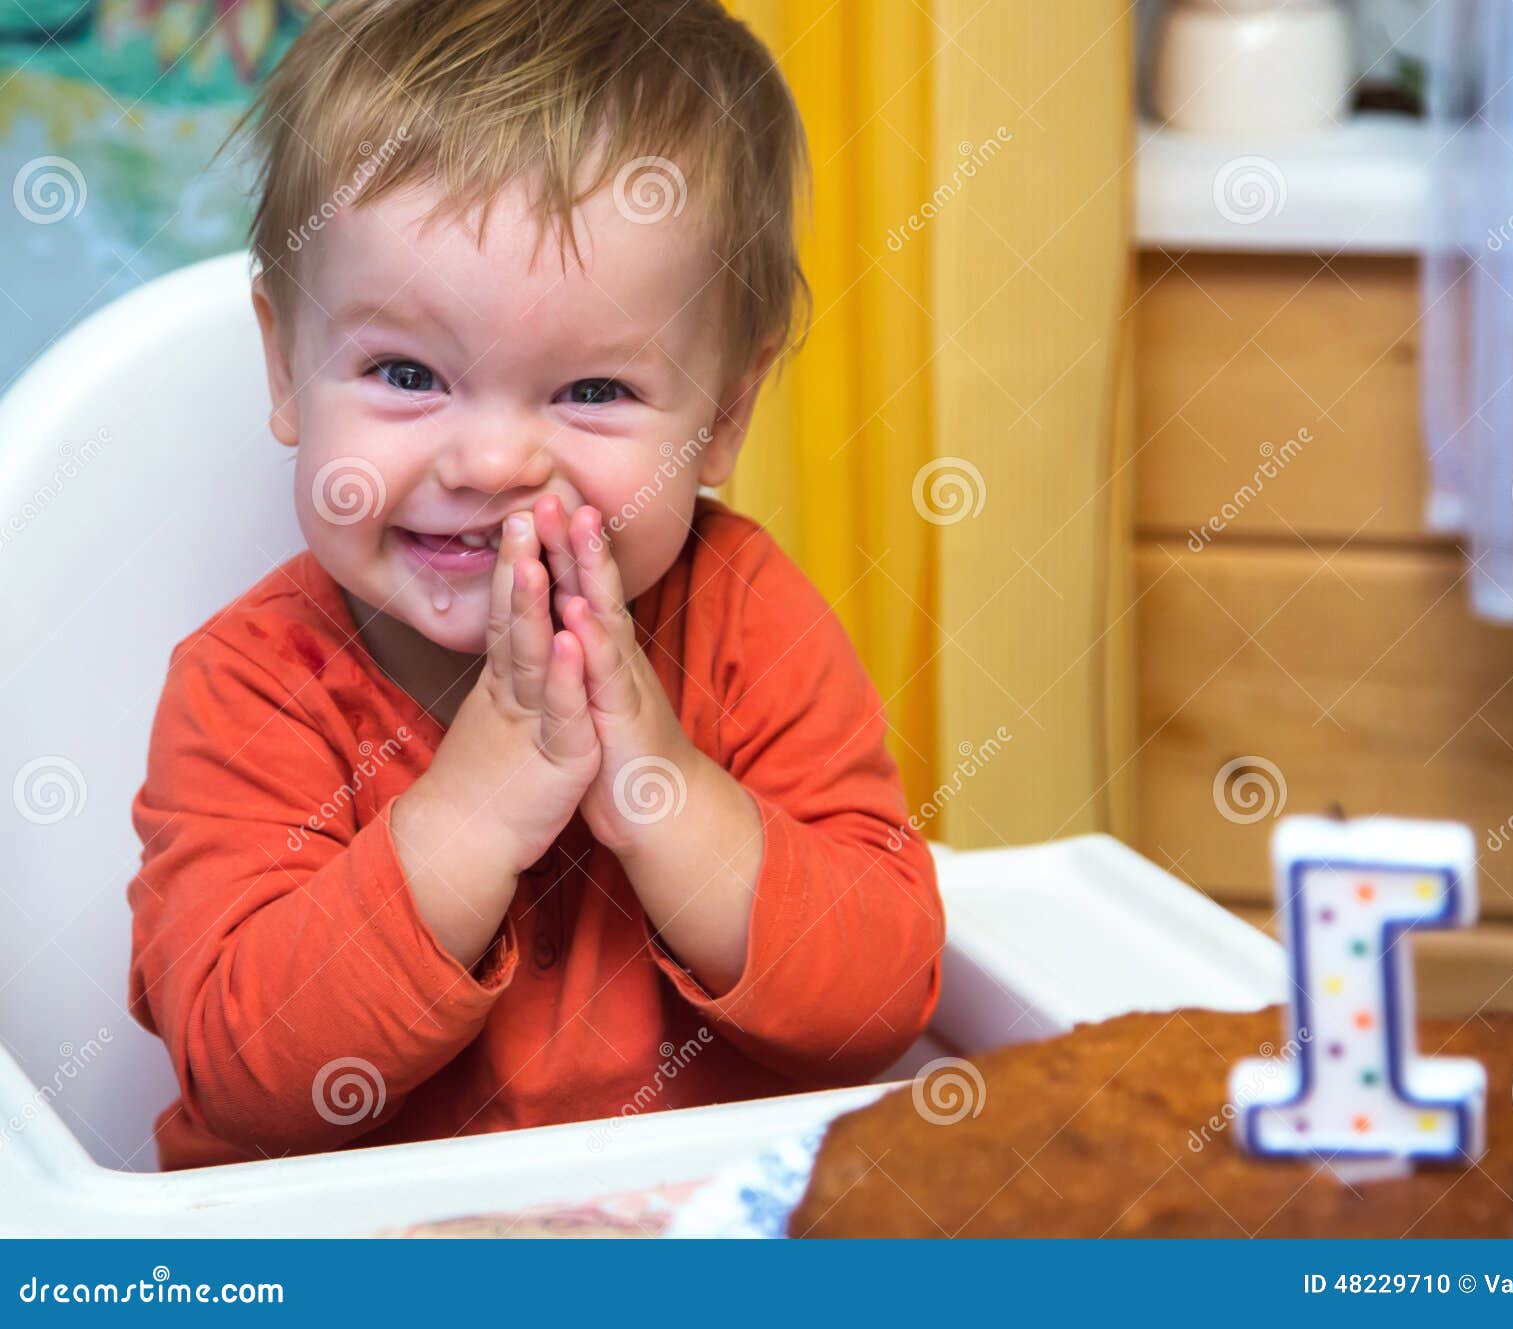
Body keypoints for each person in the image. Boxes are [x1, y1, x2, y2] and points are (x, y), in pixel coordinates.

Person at [124, 0, 944, 1170]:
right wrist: (474, 811)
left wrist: (659, 786)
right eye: (406, 373)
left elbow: (879, 1006)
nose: (493, 464)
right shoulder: (252, 688)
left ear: (722, 421)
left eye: (594, 391)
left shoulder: (745, 620)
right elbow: (245, 1073)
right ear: (287, 366)